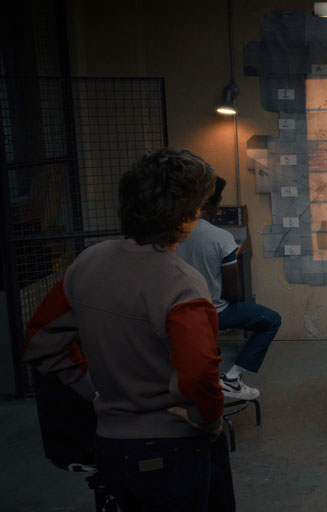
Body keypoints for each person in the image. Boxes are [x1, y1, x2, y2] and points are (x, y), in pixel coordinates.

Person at [23, 147, 233, 511]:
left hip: (109, 444)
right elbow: (200, 371)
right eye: (198, 206)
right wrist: (208, 420)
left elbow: (41, 340)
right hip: (172, 447)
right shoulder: (182, 283)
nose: (200, 214)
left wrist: (91, 392)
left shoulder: (87, 261)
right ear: (181, 213)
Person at [177, 176, 281, 400]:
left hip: (177, 314)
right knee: (271, 319)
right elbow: (232, 293)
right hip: (215, 313)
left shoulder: (169, 235)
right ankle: (232, 378)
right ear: (212, 205)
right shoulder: (221, 237)